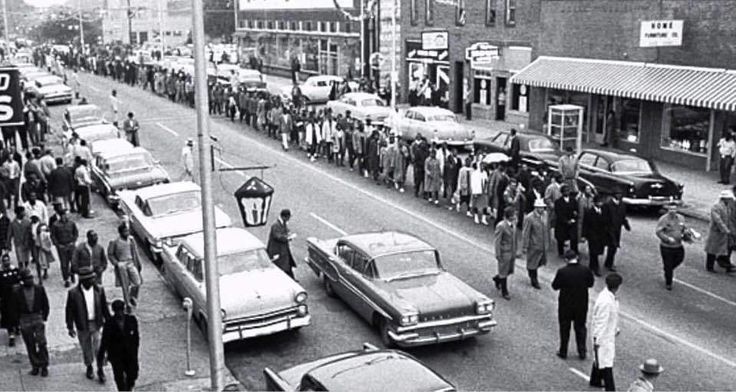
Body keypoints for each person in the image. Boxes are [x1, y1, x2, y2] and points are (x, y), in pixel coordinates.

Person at [65, 266, 110, 382]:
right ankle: (89, 366)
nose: (93, 281)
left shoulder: (99, 290)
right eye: (90, 279)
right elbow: (69, 311)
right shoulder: (73, 293)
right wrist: (70, 327)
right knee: (86, 347)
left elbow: (105, 308)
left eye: (93, 278)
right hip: (82, 325)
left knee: (99, 347)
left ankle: (100, 369)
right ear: (83, 281)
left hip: (96, 323)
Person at [552, 250, 594, 360]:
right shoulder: (585, 270)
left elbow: (555, 286)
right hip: (581, 303)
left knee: (565, 327)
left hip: (566, 304)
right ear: (577, 257)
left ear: (566, 260)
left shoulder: (562, 272)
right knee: (580, 327)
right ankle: (582, 351)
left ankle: (563, 351)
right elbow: (591, 283)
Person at [10, 269, 49, 377]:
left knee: (42, 343)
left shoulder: (39, 289)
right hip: (24, 319)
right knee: (30, 344)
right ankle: (35, 365)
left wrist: (44, 317)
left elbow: (45, 304)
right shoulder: (17, 292)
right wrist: (17, 322)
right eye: (27, 278)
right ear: (22, 280)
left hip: (37, 317)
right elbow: (14, 308)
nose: (30, 280)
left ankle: (44, 365)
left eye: (31, 277)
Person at [590, 273, 623, 392]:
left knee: (599, 359)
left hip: (606, 334)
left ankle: (595, 380)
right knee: (606, 363)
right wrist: (597, 340)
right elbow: (601, 322)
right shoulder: (606, 301)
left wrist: (614, 329)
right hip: (603, 337)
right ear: (617, 287)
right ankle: (610, 388)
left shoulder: (607, 296)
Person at [98, 299, 140, 391]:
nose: (119, 313)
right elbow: (104, 342)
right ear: (114, 311)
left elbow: (136, 338)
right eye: (117, 311)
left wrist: (135, 352)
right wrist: (100, 359)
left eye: (121, 310)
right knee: (119, 378)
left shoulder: (131, 320)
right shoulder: (109, 324)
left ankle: (129, 387)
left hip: (130, 355)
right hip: (116, 356)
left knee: (133, 375)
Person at [107, 223, 143, 309]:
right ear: (121, 232)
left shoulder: (131, 240)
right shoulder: (115, 242)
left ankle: (132, 297)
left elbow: (135, 252)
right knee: (125, 285)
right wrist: (116, 263)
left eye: (127, 231)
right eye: (125, 231)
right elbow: (110, 254)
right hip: (122, 264)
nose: (127, 232)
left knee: (137, 282)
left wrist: (138, 263)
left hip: (131, 263)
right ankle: (127, 304)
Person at [655, 202, 688, 290]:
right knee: (668, 264)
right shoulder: (663, 219)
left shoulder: (681, 218)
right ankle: (668, 282)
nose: (672, 211)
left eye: (674, 209)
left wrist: (686, 234)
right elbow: (659, 232)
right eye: (670, 209)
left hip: (678, 245)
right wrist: (667, 239)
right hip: (667, 247)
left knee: (680, 259)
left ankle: (667, 269)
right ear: (668, 210)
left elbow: (684, 229)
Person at [704, 190, 736, 273]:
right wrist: (725, 229)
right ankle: (709, 266)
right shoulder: (716, 207)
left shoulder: (727, 207)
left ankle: (725, 263)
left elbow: (729, 220)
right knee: (712, 249)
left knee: (726, 247)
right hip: (716, 232)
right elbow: (718, 220)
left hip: (724, 232)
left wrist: (730, 230)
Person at [522, 198, 549, 289]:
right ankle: (534, 279)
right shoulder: (530, 218)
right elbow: (526, 232)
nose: (542, 209)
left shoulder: (545, 215)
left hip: (542, 244)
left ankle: (532, 272)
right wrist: (525, 246)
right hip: (534, 245)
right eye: (540, 208)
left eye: (543, 208)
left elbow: (546, 228)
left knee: (539, 262)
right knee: (533, 263)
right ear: (536, 207)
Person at [603, 189, 630, 272]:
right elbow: (605, 218)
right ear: (613, 195)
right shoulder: (608, 205)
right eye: (617, 194)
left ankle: (608, 262)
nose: (619, 195)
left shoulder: (622, 204)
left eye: (620, 194)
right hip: (609, 228)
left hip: (617, 228)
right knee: (612, 245)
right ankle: (609, 264)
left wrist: (626, 224)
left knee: (614, 247)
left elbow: (623, 216)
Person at [493, 207, 517, 300]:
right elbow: (497, 241)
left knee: (508, 270)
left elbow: (514, 238)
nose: (515, 216)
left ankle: (497, 278)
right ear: (509, 216)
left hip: (511, 251)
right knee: (503, 272)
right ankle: (504, 291)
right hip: (504, 252)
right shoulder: (501, 226)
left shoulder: (513, 225)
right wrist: (498, 254)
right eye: (513, 215)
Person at [50, 208, 79, 287]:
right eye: (62, 215)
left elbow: (76, 233)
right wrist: (57, 245)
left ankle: (72, 274)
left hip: (71, 245)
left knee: (73, 262)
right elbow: (53, 236)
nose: (64, 217)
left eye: (65, 215)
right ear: (60, 216)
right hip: (62, 247)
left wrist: (73, 241)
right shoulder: (55, 225)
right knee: (64, 264)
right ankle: (66, 279)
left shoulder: (71, 223)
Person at [266, 209, 297, 279]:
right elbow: (278, 236)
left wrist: (288, 234)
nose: (289, 219)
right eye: (288, 217)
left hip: (283, 250)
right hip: (277, 250)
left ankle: (292, 278)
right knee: (280, 266)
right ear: (284, 217)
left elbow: (286, 231)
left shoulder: (283, 223)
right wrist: (287, 238)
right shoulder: (276, 225)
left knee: (287, 265)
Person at [583, 195, 608, 276]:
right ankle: (595, 268)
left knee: (596, 252)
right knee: (594, 252)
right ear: (594, 203)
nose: (600, 203)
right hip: (592, 235)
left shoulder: (603, 211)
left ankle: (591, 266)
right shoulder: (590, 212)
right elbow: (586, 224)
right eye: (598, 202)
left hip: (601, 235)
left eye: (601, 202)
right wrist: (584, 235)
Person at [0, 254, 20, 347]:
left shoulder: (15, 271)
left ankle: (17, 327)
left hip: (16, 299)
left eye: (7, 260)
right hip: (5, 300)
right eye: (4, 261)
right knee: (8, 317)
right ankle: (11, 334)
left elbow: (20, 282)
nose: (6, 262)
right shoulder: (0, 273)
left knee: (17, 315)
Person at [554, 185, 579, 256]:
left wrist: (574, 217)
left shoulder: (573, 200)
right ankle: (561, 252)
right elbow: (558, 213)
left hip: (572, 222)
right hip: (562, 223)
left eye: (568, 191)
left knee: (573, 238)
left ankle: (574, 252)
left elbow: (576, 210)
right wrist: (566, 221)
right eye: (565, 191)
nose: (567, 192)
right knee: (561, 239)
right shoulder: (558, 202)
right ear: (562, 192)